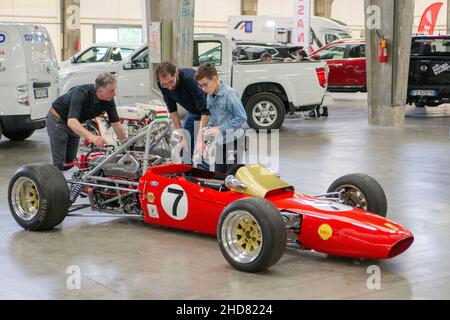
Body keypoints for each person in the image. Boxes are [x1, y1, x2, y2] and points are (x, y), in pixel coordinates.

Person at [47, 72, 126, 170]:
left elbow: (116, 123)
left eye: (115, 90)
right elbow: (71, 121)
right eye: (111, 91)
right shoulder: (81, 93)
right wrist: (93, 137)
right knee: (60, 164)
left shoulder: (108, 100)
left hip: (75, 122)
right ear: (99, 91)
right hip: (58, 120)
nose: (114, 94)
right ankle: (54, 182)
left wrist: (125, 144)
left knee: (70, 163)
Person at [194, 62, 247, 174]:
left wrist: (220, 129)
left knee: (232, 177)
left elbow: (242, 118)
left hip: (234, 141)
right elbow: (214, 118)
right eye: (201, 86)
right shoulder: (209, 95)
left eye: (205, 84)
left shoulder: (230, 94)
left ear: (215, 79)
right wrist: (208, 129)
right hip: (220, 142)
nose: (203, 89)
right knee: (220, 176)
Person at [155, 62, 210, 161]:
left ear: (176, 72)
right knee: (185, 143)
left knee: (201, 144)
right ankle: (187, 169)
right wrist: (181, 134)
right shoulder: (162, 84)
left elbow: (205, 110)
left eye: (171, 82)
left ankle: (202, 166)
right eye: (165, 84)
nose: (169, 87)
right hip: (193, 111)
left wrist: (200, 137)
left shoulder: (190, 79)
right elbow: (172, 110)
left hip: (209, 110)